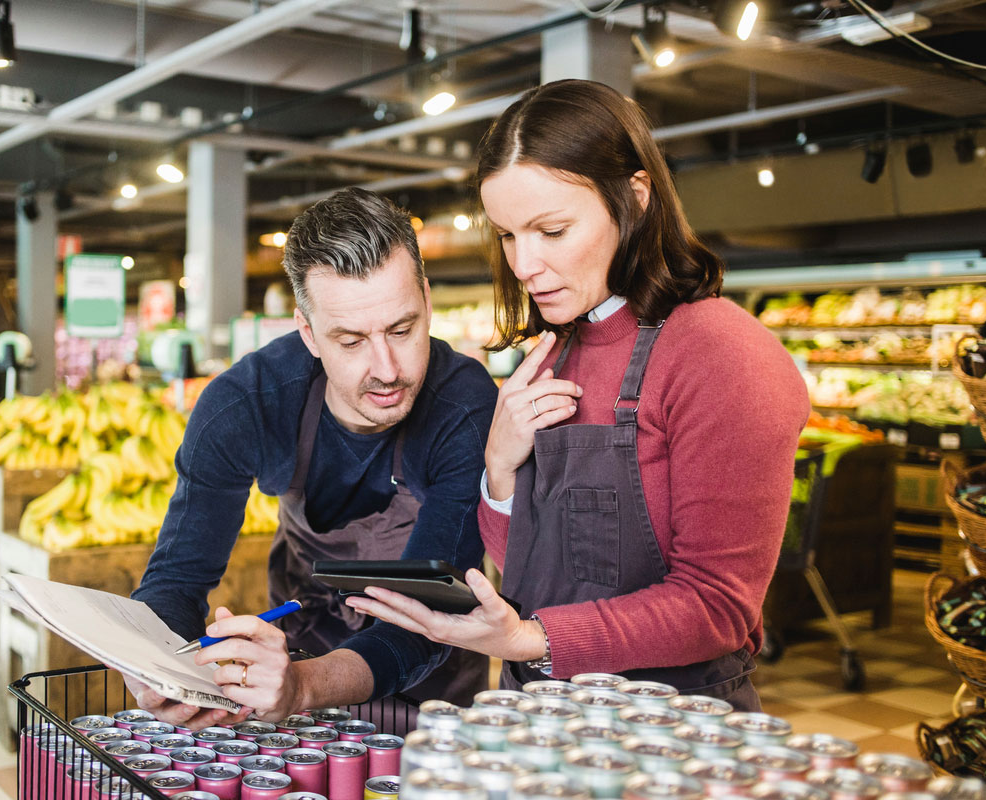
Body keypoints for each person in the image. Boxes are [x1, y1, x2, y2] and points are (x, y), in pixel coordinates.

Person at [345, 80, 810, 711]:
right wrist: (499, 470)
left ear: (635, 200)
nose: (524, 264)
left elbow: (718, 605)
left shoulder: (724, 356)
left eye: (552, 230)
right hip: (541, 719)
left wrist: (531, 638)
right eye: (508, 235)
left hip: (668, 735)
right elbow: (538, 572)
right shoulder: (554, 353)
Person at [130, 187, 497, 725]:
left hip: (430, 693)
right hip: (301, 661)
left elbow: (425, 620)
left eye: (403, 329)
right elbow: (177, 580)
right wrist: (154, 664)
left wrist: (301, 687)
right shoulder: (245, 406)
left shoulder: (462, 408)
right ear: (307, 331)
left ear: (426, 298)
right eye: (350, 341)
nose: (388, 368)